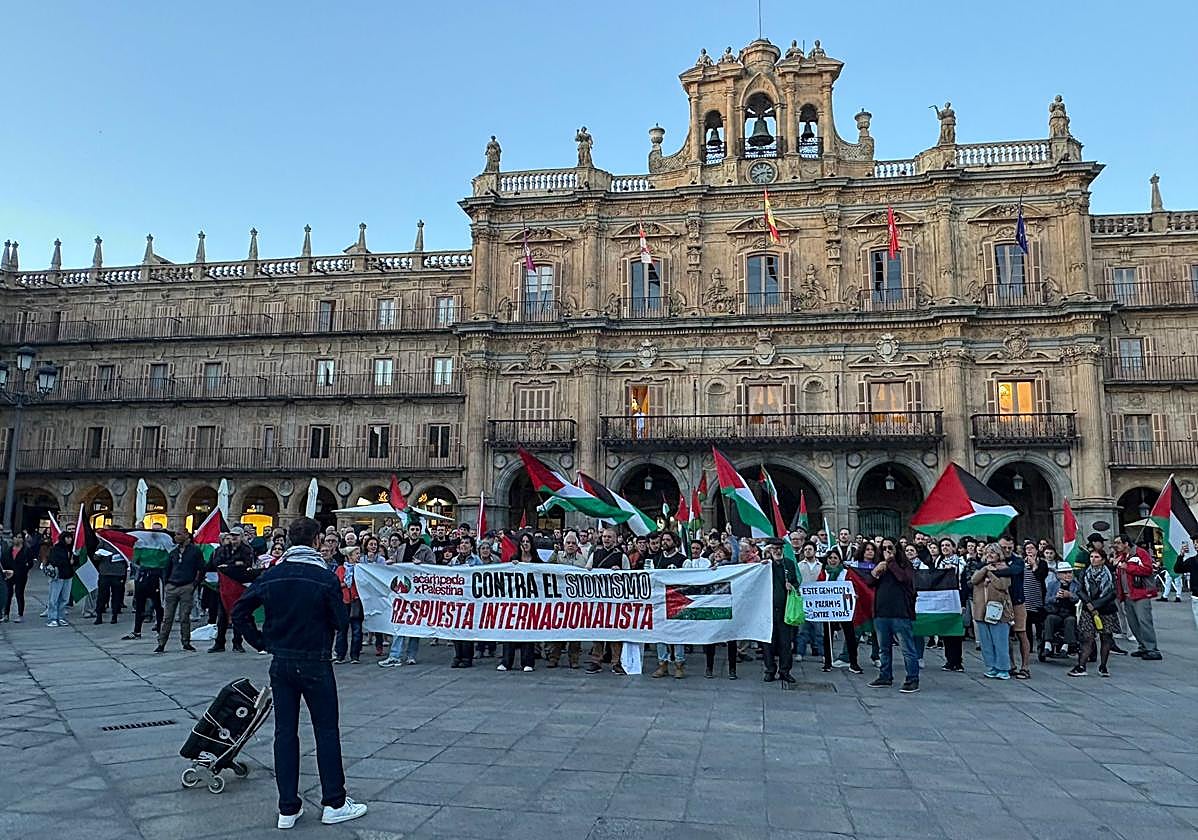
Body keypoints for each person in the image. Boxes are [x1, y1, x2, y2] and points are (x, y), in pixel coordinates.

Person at [232, 516, 367, 829]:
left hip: (281, 662)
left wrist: (261, 642)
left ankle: (287, 808)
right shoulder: (325, 577)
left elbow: (239, 611)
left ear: (290, 540)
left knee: (284, 733)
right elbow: (341, 621)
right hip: (316, 661)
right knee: (326, 731)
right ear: (317, 540)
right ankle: (334, 802)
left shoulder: (273, 574)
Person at [378, 521, 434, 668]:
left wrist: (422, 565)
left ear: (420, 532)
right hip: (402, 592)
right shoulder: (401, 548)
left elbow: (434, 568)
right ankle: (395, 655)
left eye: (417, 529)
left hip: (418, 593)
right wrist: (391, 563)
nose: (414, 532)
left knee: (414, 624)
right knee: (400, 623)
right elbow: (395, 562)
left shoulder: (426, 549)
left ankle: (411, 655)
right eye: (412, 529)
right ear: (407, 531)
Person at [867, 536, 920, 693]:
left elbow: (903, 578)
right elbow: (869, 582)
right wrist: (876, 572)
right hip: (881, 612)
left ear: (897, 549)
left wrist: (890, 562)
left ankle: (912, 679)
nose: (886, 551)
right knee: (884, 648)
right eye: (883, 548)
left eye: (890, 547)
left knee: (907, 649)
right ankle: (885, 676)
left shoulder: (905, 565)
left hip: (900, 613)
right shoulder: (880, 565)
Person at [585, 527, 630, 675]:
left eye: (610, 537)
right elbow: (586, 572)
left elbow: (629, 577)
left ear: (616, 539)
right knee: (598, 631)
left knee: (615, 632)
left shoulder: (622, 557)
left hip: (615, 601)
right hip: (598, 600)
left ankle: (616, 662)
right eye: (604, 537)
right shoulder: (595, 554)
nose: (606, 539)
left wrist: (621, 573)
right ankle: (596, 660)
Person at [1111, 533, 1162, 660]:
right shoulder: (1121, 556)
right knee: (1133, 623)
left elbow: (1148, 569)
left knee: (1144, 621)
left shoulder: (1140, 553)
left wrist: (1128, 567)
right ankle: (1142, 646)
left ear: (1126, 543)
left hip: (1141, 593)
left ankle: (1152, 648)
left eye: (1118, 543)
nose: (1115, 545)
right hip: (1127, 595)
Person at [1071, 548, 1120, 677]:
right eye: (1091, 556)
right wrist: (1088, 603)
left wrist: (1096, 605)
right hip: (1088, 609)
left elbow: (1113, 593)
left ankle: (1103, 666)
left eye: (1096, 557)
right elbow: (1080, 589)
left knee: (1106, 637)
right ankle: (1081, 665)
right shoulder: (1085, 573)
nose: (1093, 559)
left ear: (1103, 560)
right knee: (1087, 637)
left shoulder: (1109, 573)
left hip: (1106, 609)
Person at [209, 526, 258, 653]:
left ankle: (237, 643)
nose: (233, 538)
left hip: (239, 586)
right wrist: (235, 564)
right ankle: (219, 643)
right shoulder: (222, 549)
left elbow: (245, 564)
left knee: (238, 613)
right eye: (232, 536)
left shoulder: (247, 550)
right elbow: (217, 563)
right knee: (222, 616)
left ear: (241, 537)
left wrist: (229, 565)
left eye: (236, 536)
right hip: (224, 586)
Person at [155, 530, 205, 652]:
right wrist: (167, 583)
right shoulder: (173, 552)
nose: (176, 537)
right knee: (167, 617)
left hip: (186, 586)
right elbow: (167, 568)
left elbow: (201, 568)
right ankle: (161, 643)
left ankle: (186, 642)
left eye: (179, 534)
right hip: (172, 586)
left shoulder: (195, 551)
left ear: (186, 536)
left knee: (184, 617)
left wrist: (194, 584)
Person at [970, 543, 1013, 680]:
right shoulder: (981, 568)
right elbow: (973, 580)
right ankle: (991, 666)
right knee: (986, 642)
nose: (989, 555)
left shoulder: (1004, 568)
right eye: (987, 553)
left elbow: (1002, 585)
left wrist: (991, 574)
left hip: (998, 611)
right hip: (981, 610)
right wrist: (985, 570)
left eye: (992, 553)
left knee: (1000, 641)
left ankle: (1004, 668)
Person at [499, 533, 539, 672]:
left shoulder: (537, 561)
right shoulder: (514, 559)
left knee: (528, 632)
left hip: (531, 603)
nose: (525, 544)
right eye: (523, 541)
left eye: (528, 541)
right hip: (514, 602)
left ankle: (527, 662)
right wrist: (512, 566)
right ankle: (506, 662)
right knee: (510, 630)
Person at [546, 531, 586, 669]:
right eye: (568, 543)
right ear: (563, 544)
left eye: (573, 543)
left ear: (577, 546)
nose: (570, 545)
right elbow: (546, 567)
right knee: (557, 630)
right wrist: (554, 553)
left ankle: (574, 659)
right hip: (559, 600)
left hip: (576, 600)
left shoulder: (583, 559)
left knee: (575, 631)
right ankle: (553, 657)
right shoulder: (558, 556)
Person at [819, 547, 862, 674]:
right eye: (830, 558)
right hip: (828, 610)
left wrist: (853, 595)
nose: (832, 560)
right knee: (827, 636)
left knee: (850, 636)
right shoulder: (824, 573)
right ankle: (827, 662)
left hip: (844, 609)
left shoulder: (846, 573)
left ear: (840, 560)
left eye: (835, 558)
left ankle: (853, 663)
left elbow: (853, 587)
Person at [650, 531, 687, 679]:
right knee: (660, 633)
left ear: (675, 542)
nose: (664, 542)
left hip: (677, 601)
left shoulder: (683, 560)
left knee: (677, 633)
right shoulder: (656, 559)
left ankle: (679, 664)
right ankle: (662, 663)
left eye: (667, 539)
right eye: (663, 540)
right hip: (660, 601)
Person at [763, 539, 800, 686]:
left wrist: (792, 586)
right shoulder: (765, 566)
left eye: (780, 549)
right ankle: (770, 670)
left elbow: (797, 582)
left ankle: (785, 671)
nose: (777, 551)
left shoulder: (789, 564)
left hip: (786, 609)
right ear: (770, 550)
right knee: (768, 643)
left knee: (786, 643)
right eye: (774, 549)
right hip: (768, 610)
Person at [700, 546, 738, 679]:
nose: (717, 554)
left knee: (730, 640)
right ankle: (709, 667)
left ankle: (732, 669)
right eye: (716, 552)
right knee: (711, 638)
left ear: (726, 556)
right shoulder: (709, 569)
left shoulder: (731, 568)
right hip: (713, 607)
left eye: (721, 552)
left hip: (727, 606)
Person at [122, 548, 165, 640]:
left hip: (153, 576)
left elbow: (134, 561)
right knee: (142, 605)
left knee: (157, 604)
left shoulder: (159, 547)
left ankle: (159, 630)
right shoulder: (141, 547)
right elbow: (134, 560)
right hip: (145, 576)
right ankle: (138, 631)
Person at [333, 546, 364, 665]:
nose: (358, 556)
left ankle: (355, 655)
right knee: (342, 629)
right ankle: (340, 654)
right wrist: (345, 584)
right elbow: (336, 585)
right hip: (344, 601)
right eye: (356, 554)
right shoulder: (341, 569)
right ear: (349, 556)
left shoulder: (361, 569)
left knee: (357, 629)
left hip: (356, 601)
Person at [794, 543, 825, 661]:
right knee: (802, 630)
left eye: (810, 549)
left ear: (815, 551)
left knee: (819, 631)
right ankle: (800, 653)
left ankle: (823, 654)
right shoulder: (799, 566)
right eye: (805, 549)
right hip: (804, 602)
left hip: (818, 603)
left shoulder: (821, 566)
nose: (807, 551)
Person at [1043, 562, 1079, 658]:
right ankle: (1048, 644)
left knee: (1070, 620)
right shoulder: (1052, 585)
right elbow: (1047, 600)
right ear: (1058, 575)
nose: (1068, 575)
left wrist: (1070, 595)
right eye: (1065, 573)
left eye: (1070, 572)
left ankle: (1066, 646)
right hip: (1056, 611)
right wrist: (1055, 597)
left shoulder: (1076, 585)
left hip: (1070, 612)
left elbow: (1079, 598)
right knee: (1050, 618)